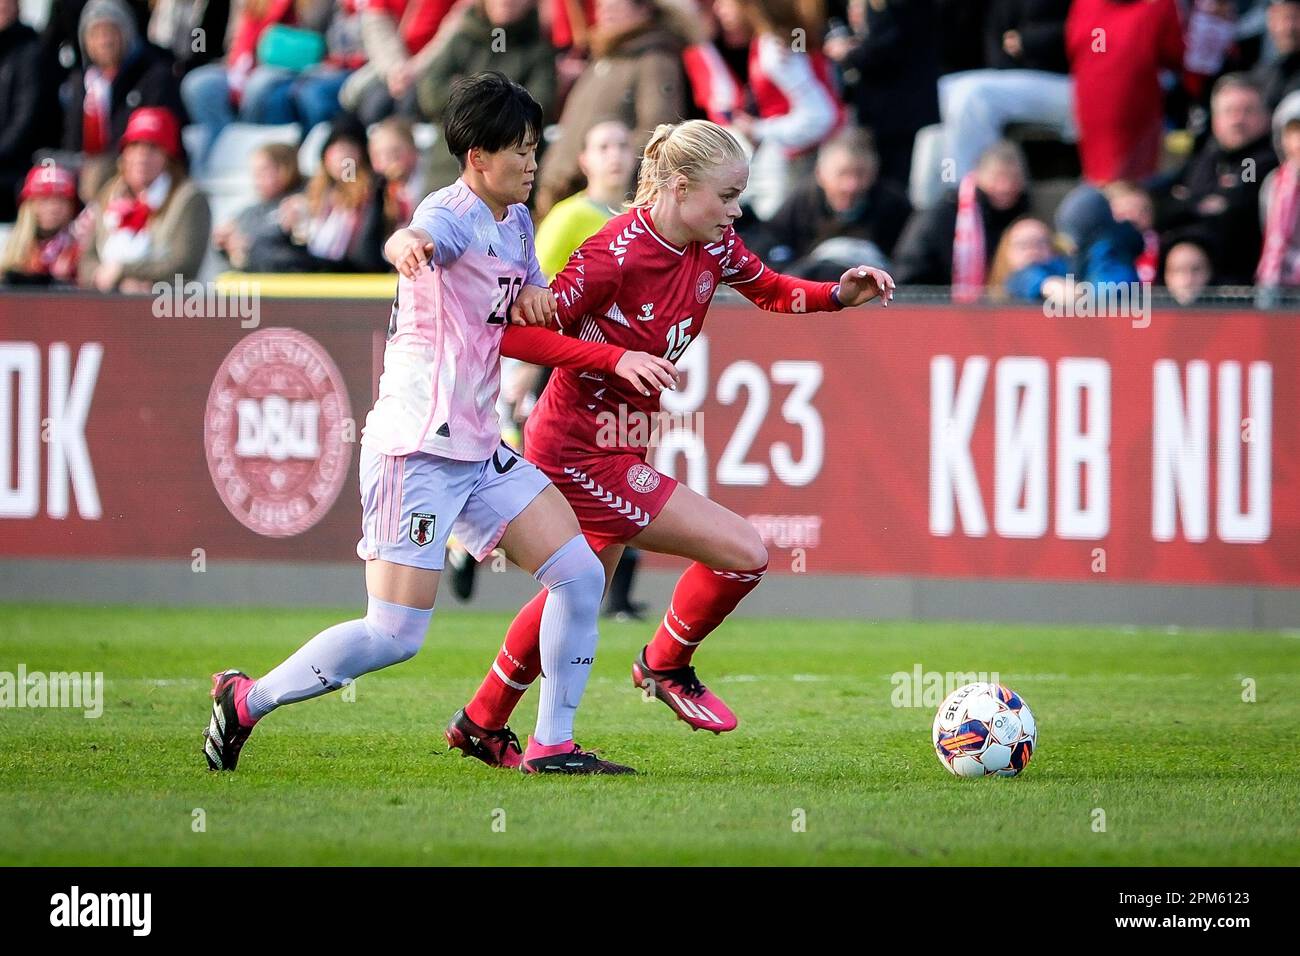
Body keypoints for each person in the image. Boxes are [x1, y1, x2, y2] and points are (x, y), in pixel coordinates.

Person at [203, 72, 679, 776]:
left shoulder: (517, 221)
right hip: (417, 450)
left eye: (534, 146)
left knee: (578, 574)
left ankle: (552, 745)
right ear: (477, 158)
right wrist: (407, 249)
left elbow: (528, 296)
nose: (531, 161)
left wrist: (542, 301)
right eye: (518, 149)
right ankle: (246, 699)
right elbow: (415, 235)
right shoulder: (448, 213)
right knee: (394, 634)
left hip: (479, 448)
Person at [449, 119, 892, 758]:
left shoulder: (712, 246)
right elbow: (514, 336)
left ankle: (482, 720)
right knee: (744, 551)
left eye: (741, 196)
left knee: (575, 595)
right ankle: (664, 663)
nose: (736, 212)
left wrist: (833, 295)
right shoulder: (613, 254)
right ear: (680, 189)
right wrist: (612, 360)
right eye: (727, 196)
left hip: (624, 440)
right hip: (577, 448)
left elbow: (769, 290)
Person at [78, 106, 211, 291]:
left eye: (152, 148)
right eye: (134, 146)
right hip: (107, 302)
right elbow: (87, 259)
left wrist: (124, 271)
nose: (141, 156)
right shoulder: (108, 194)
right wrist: (102, 276)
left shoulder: (189, 199)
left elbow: (184, 264)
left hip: (168, 305)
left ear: (168, 156)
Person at [893, 140, 1030, 295]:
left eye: (1015, 178)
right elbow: (909, 272)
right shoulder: (941, 216)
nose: (1006, 186)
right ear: (978, 176)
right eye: (999, 177)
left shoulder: (1025, 219)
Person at [211, 142, 303, 271]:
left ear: (285, 168)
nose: (257, 179)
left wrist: (247, 251)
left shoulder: (302, 203)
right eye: (254, 172)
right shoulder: (249, 212)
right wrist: (224, 246)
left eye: (263, 170)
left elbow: (301, 259)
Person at [0, 163, 81, 284]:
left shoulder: (81, 245)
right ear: (28, 205)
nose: (53, 208)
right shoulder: (4, 241)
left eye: (61, 200)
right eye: (44, 200)